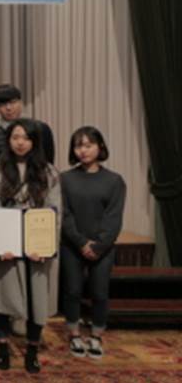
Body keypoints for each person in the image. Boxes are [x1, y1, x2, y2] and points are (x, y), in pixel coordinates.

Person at [0, 119, 62, 373]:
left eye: (26, 138)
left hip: (36, 246)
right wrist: (1, 243)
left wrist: (46, 246)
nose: (20, 142)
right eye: (15, 137)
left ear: (35, 142)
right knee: (2, 297)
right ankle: (3, 348)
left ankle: (32, 350)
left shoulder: (48, 172)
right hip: (6, 245)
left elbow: (54, 211)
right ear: (8, 140)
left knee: (36, 298)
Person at [61, 127, 126, 359]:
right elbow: (64, 215)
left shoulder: (114, 181)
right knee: (72, 290)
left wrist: (98, 246)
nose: (83, 151)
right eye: (78, 146)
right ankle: (74, 334)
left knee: (100, 291)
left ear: (100, 147)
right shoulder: (65, 179)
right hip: (71, 244)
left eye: (88, 145)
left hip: (103, 247)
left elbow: (114, 217)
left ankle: (97, 335)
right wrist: (80, 242)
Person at [0, 84, 56, 164]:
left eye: (13, 102)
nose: (8, 108)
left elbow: (48, 162)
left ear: (20, 102)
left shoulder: (40, 128)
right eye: (2, 104)